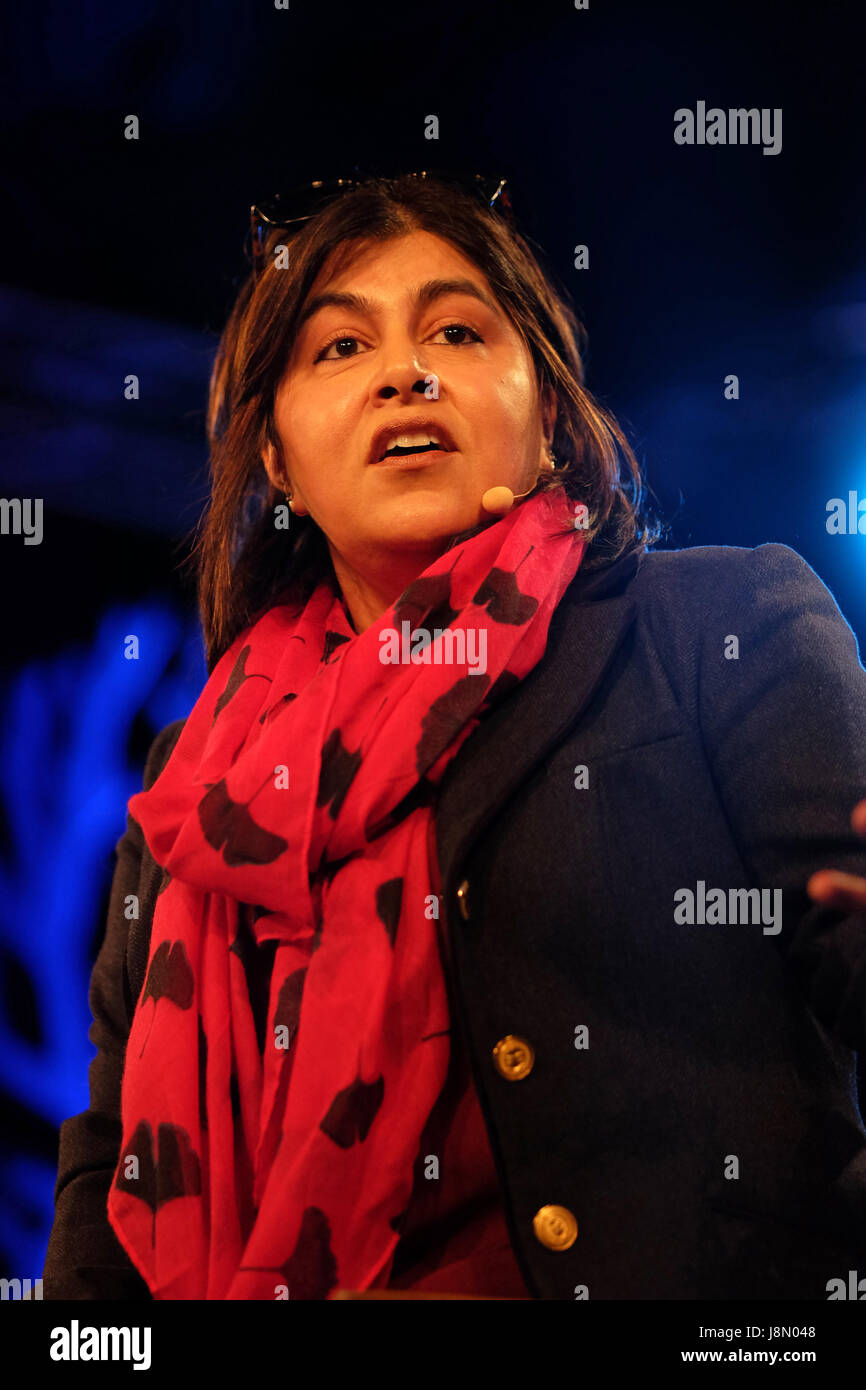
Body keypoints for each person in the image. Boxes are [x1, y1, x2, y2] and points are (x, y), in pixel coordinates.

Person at [43, 171, 866, 1301]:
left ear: (548, 415)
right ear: (275, 458)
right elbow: (111, 1153)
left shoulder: (721, 623)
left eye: (458, 330)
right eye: (337, 348)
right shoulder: (195, 782)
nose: (405, 372)